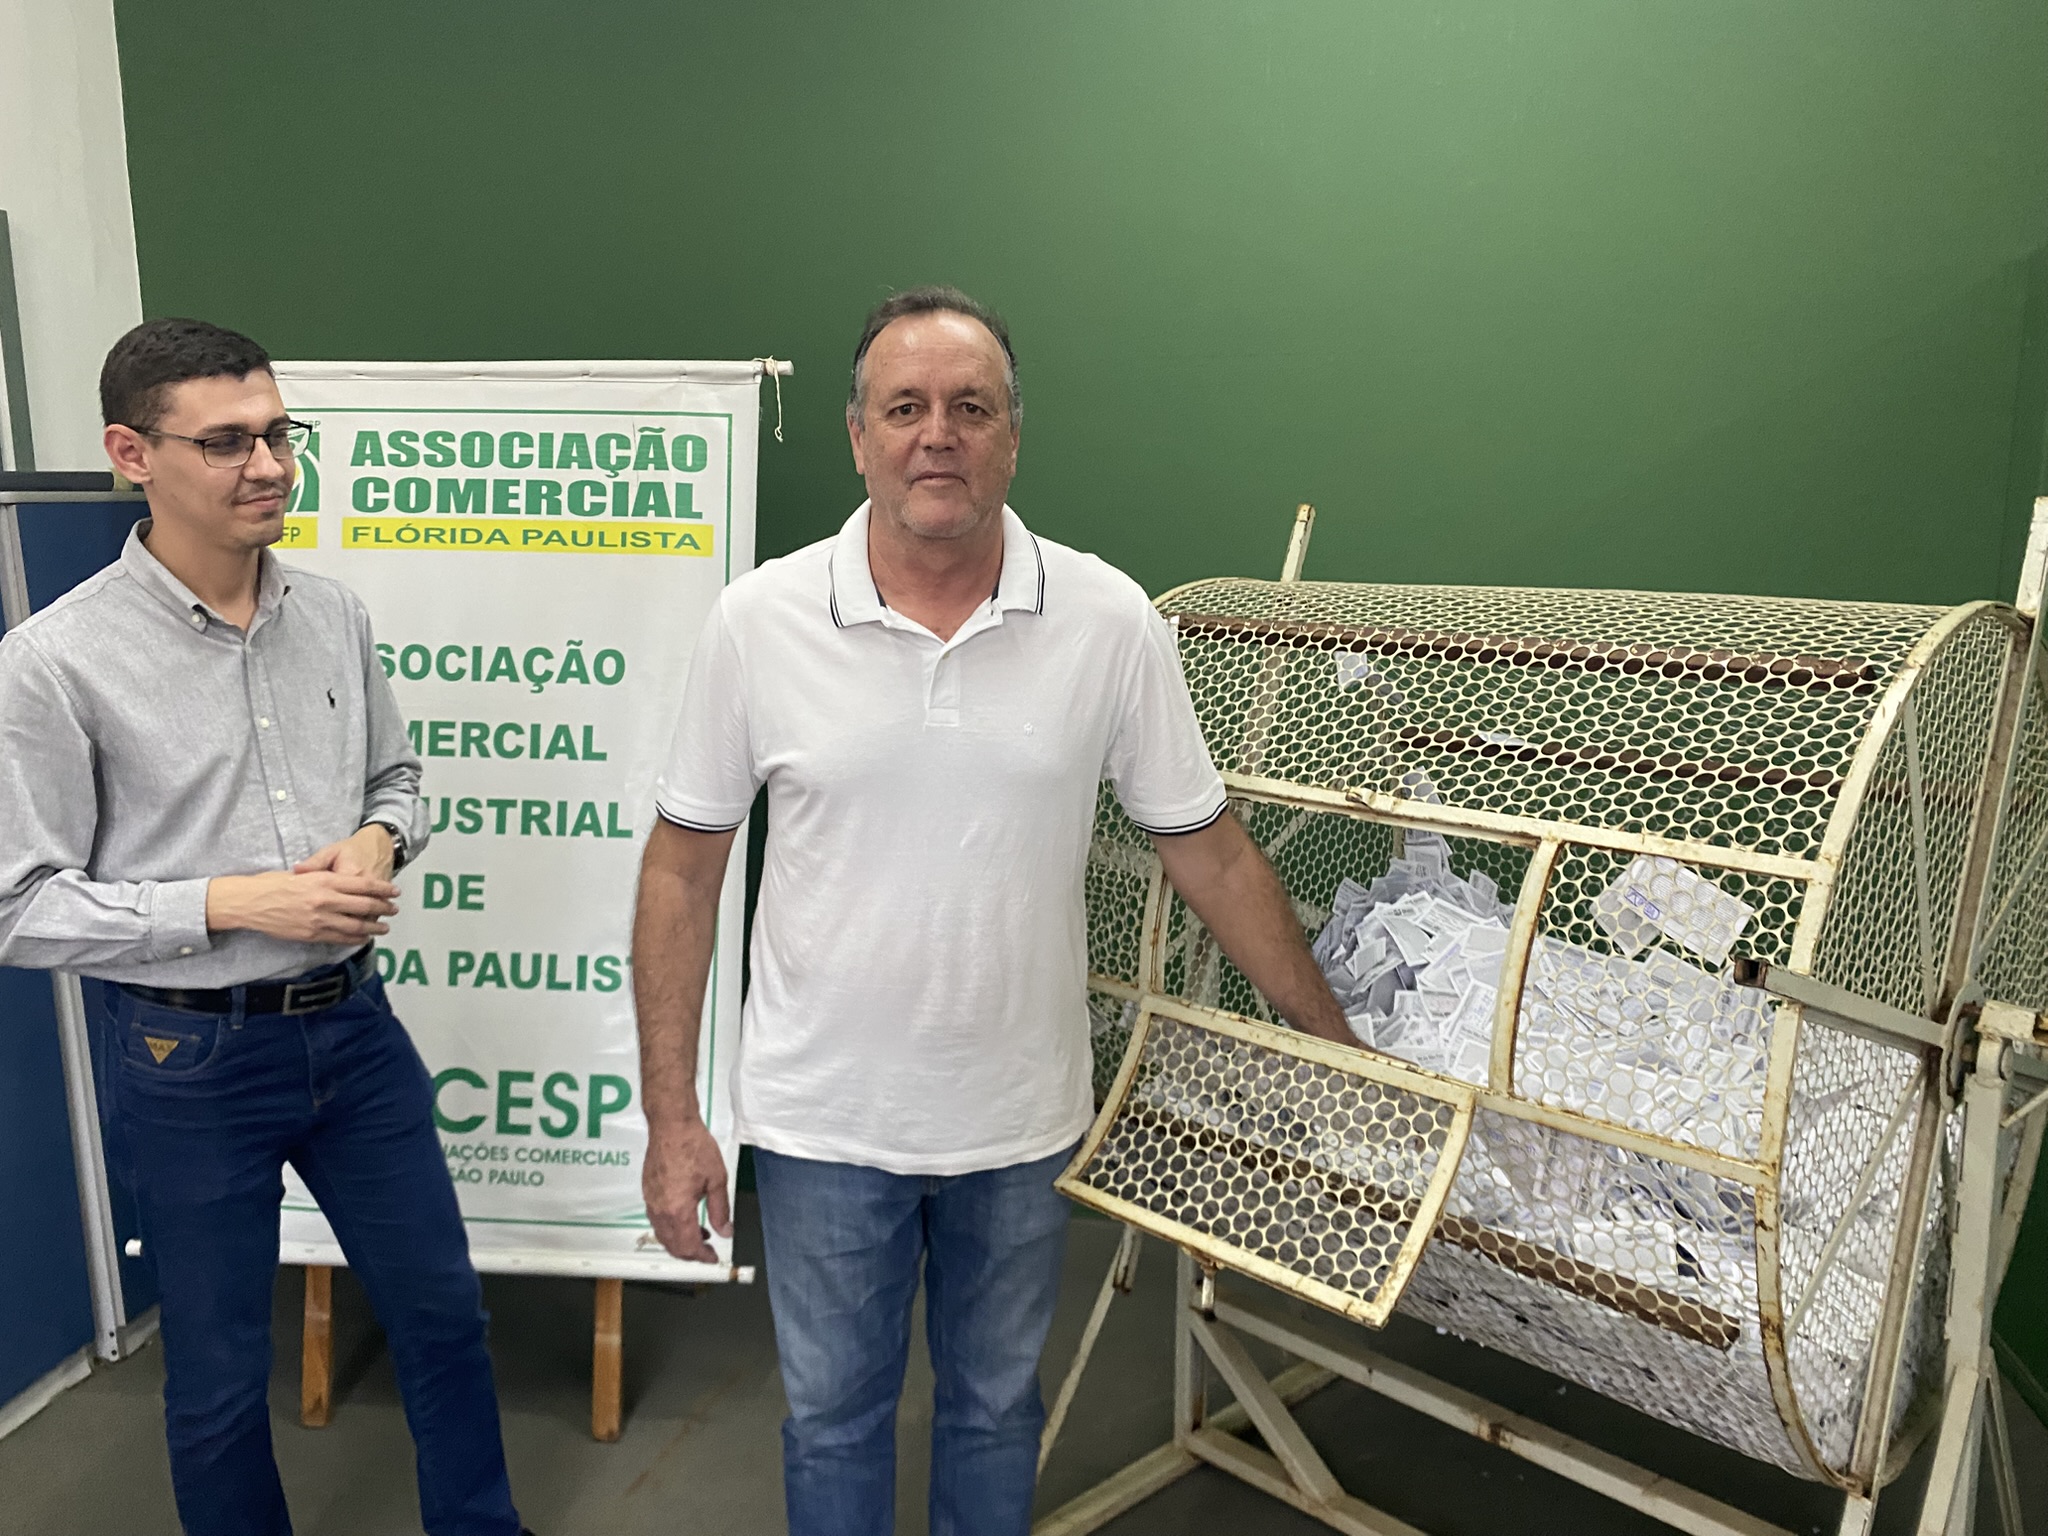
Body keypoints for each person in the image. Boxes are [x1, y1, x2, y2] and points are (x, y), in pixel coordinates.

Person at [632, 285, 1352, 1535]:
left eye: (969, 408)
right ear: (856, 436)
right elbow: (680, 871)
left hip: (1019, 1125)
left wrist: (1335, 1047)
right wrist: (671, 1118)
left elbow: (1210, 852)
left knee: (994, 1415)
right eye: (903, 408)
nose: (937, 436)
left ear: (1012, 436)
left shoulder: (1108, 620)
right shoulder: (758, 623)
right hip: (821, 1126)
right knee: (833, 1423)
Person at [0, 319, 526, 1536]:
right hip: (189, 1061)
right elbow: (21, 905)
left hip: (355, 1033)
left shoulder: (331, 615)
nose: (271, 465)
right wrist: (237, 902)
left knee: (445, 1318)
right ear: (131, 453)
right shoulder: (55, 661)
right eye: (227, 441)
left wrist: (379, 839)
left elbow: (398, 779)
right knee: (222, 1380)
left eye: (280, 433)